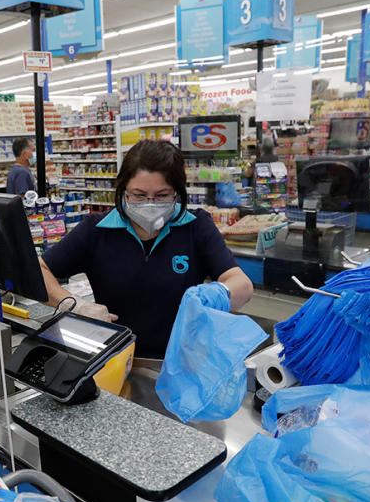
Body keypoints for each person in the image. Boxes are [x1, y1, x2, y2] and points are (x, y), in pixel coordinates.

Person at [39, 139, 254, 359]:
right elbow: (38, 270)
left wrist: (218, 293)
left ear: (177, 193)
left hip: (182, 362)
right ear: (123, 190)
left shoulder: (196, 227)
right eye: (139, 195)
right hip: (115, 359)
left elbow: (243, 285)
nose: (150, 203)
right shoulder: (96, 230)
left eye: (162, 196)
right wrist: (75, 305)